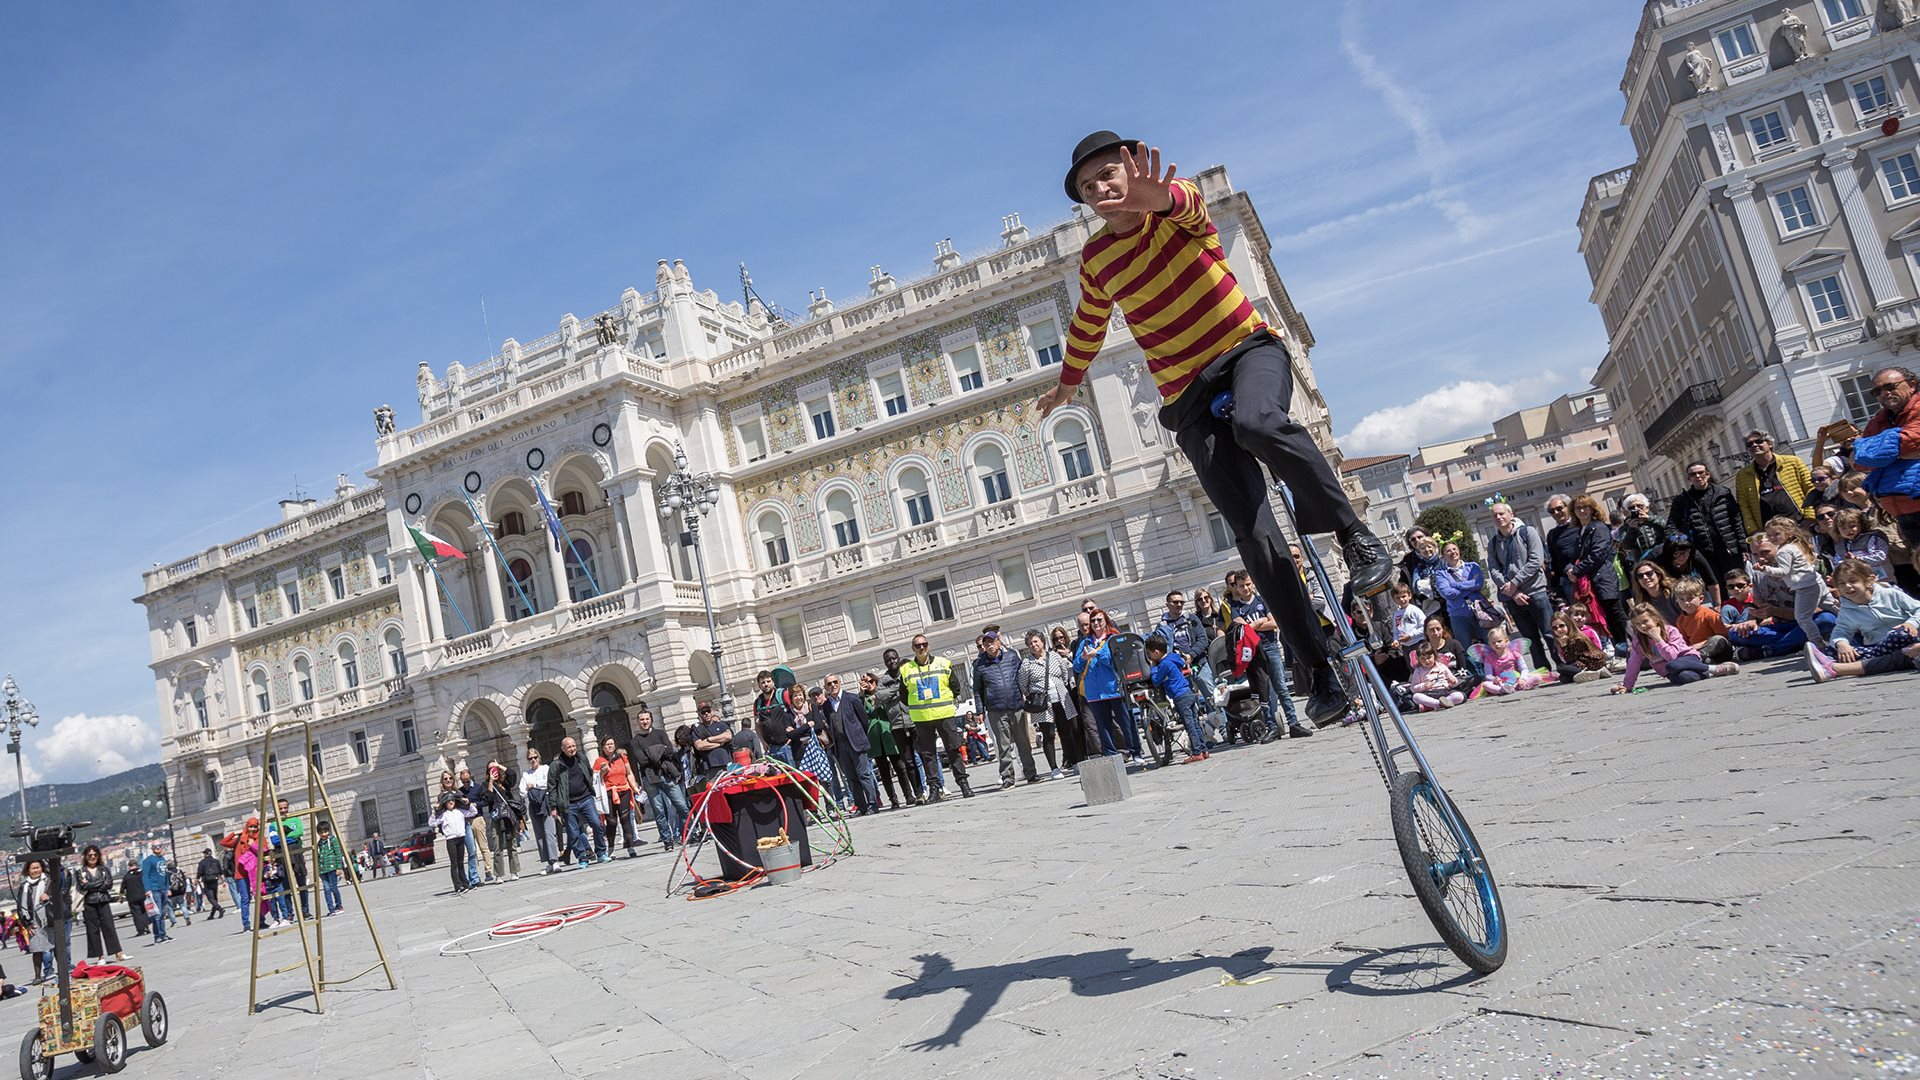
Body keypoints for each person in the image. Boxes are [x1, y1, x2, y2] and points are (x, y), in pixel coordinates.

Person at [1039, 135, 1390, 730]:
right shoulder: (1096, 259)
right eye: (1088, 186)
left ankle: (1355, 536)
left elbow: (1185, 204)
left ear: (1131, 169)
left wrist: (1157, 198)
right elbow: (1088, 324)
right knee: (1252, 532)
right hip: (1187, 394)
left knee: (1259, 423)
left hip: (1246, 350)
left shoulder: (1174, 204)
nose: (1101, 189)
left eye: (1109, 174)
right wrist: (1068, 385)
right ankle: (1319, 670)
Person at [1224, 569, 1312, 740]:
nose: (1245, 588)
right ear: (1237, 587)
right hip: (1253, 653)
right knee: (1263, 691)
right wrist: (1260, 621)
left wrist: (1252, 625)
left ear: (1253, 584)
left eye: (1248, 584)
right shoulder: (1235, 608)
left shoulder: (1262, 601)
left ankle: (1293, 723)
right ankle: (1271, 726)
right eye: (1241, 586)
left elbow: (1273, 623)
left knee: (1281, 687)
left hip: (1270, 647)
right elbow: (1241, 630)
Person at [1806, 558, 1920, 681]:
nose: (1847, 586)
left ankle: (1836, 666)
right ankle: (1828, 661)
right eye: (1841, 583)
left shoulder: (1891, 594)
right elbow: (1841, 631)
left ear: (1869, 580)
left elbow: (1918, 608)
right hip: (1879, 646)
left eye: (1853, 581)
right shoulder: (1846, 610)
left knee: (1900, 634)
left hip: (1907, 638)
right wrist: (1841, 644)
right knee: (1837, 651)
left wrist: (1911, 623)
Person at [898, 634, 974, 800]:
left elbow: (956, 687)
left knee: (953, 749)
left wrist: (946, 701)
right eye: (918, 646)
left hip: (944, 714)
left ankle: (963, 784)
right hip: (922, 717)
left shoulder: (943, 663)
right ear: (913, 649)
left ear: (929, 645)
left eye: (924, 644)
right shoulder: (906, 669)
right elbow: (903, 696)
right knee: (928, 754)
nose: (922, 648)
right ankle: (934, 789)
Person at [1485, 501, 1556, 671]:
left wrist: (1514, 582)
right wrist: (1513, 591)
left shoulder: (1527, 532)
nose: (1498, 517)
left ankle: (1563, 666)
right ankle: (1542, 670)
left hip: (1535, 591)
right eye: (1495, 515)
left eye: (1502, 513)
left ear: (1511, 514)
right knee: (1529, 638)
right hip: (1513, 597)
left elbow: (1535, 560)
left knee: (1549, 632)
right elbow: (1493, 569)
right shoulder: (1493, 543)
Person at [1750, 516, 1840, 650]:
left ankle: (1818, 644)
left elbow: (1783, 571)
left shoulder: (1783, 551)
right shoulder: (1795, 546)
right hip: (1814, 583)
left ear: (1789, 533)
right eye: (1769, 535)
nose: (1773, 538)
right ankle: (1857, 627)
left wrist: (1765, 569)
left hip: (1805, 587)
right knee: (1834, 608)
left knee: (1805, 618)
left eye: (1776, 534)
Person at [1611, 602, 1738, 693]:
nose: (1643, 626)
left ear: (1655, 619)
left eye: (1645, 621)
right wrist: (1627, 685)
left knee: (1672, 665)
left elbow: (1673, 657)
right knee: (1684, 677)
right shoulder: (1639, 640)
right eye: (1638, 624)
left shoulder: (1670, 631)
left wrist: (1658, 639)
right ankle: (1708, 674)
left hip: (1686, 659)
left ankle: (1714, 669)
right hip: (1669, 671)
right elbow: (1634, 662)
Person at [971, 630, 1038, 788]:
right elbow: (977, 690)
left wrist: (1028, 695)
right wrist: (980, 711)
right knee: (1003, 745)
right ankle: (1007, 777)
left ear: (998, 642)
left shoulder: (1012, 657)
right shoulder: (979, 664)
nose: (989, 645)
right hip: (996, 709)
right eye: (986, 643)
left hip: (1016, 706)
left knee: (1023, 742)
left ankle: (1031, 773)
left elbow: (1023, 676)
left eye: (992, 641)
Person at [1075, 608, 1143, 761]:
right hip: (1094, 691)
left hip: (1114, 688)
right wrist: (1083, 658)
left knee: (1126, 722)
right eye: (1093, 620)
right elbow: (1077, 667)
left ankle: (1135, 752)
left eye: (1099, 619)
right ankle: (1111, 754)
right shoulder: (1085, 642)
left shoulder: (1113, 638)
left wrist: (1097, 654)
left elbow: (1115, 661)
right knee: (1102, 726)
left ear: (1106, 621)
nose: (1096, 623)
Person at [1564, 493, 1631, 648]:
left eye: (1585, 507)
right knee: (1606, 616)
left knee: (1615, 613)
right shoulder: (1581, 530)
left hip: (1603, 578)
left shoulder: (1598, 527)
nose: (1582, 511)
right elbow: (1575, 556)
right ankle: (1620, 648)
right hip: (1591, 580)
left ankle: (1632, 645)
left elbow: (1598, 555)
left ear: (1592, 508)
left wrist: (1576, 571)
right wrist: (1569, 569)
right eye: (1578, 508)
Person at [1669, 462, 1748, 584]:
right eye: (1693, 474)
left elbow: (1737, 520)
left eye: (1701, 473)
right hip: (1703, 554)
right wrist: (1680, 543)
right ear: (1689, 478)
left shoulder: (1723, 493)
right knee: (1716, 587)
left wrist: (1744, 547)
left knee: (1737, 583)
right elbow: (1671, 527)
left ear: (1708, 474)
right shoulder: (1682, 501)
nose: (1697, 476)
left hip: (1730, 550)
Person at [1018, 630, 1075, 780]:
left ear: (1042, 642)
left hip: (1061, 700)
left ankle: (1074, 761)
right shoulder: (1027, 663)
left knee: (1066, 732)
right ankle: (1054, 767)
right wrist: (1034, 694)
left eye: (1035, 641)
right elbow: (1023, 684)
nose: (1033, 645)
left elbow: (1064, 675)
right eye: (1030, 643)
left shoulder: (1054, 656)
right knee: (1048, 735)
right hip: (1042, 705)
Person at [1734, 429, 1814, 535]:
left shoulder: (1793, 462)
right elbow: (1744, 506)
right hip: (1769, 534)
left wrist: (1809, 518)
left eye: (1759, 441)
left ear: (1770, 444)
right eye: (1750, 444)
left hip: (1800, 525)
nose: (1754, 445)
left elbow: (1810, 489)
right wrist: (1754, 531)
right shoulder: (1743, 475)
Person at [1145, 637, 1213, 762]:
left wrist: (1153, 667)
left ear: (1156, 652)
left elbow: (1156, 681)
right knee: (1195, 723)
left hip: (1180, 696)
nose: (1149, 657)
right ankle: (1204, 750)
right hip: (1188, 692)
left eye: (1149, 654)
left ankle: (1197, 753)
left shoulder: (1165, 664)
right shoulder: (1173, 658)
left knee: (1189, 725)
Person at [631, 706, 690, 850]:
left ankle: (690, 833)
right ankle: (667, 840)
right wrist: (660, 750)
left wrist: (650, 753)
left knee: (682, 806)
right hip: (650, 778)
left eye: (647, 719)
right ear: (638, 722)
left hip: (667, 775)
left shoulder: (660, 733)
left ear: (651, 720)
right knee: (659, 811)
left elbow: (669, 750)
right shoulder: (635, 741)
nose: (645, 722)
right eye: (642, 720)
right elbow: (642, 760)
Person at [873, 650, 928, 801]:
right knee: (908, 761)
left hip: (914, 720)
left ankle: (934, 787)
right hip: (897, 725)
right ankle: (918, 793)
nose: (891, 661)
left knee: (925, 755)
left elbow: (916, 688)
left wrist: (892, 693)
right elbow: (880, 696)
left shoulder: (908, 673)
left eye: (894, 658)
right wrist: (898, 688)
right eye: (888, 660)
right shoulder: (883, 680)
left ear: (898, 658)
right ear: (885, 663)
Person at [822, 675, 881, 813]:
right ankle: (861, 806)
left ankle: (873, 804)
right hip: (840, 745)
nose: (833, 685)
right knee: (851, 778)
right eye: (829, 684)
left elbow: (863, 720)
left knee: (864, 774)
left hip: (856, 742)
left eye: (835, 682)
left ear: (840, 683)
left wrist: (860, 737)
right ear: (826, 687)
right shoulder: (826, 705)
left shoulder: (852, 698)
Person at [546, 736, 607, 868]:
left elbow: (589, 774)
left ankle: (601, 852)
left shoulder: (582, 758)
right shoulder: (556, 765)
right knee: (573, 833)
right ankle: (582, 857)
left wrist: (590, 789)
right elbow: (552, 787)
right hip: (568, 803)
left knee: (596, 824)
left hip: (586, 798)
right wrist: (553, 806)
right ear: (563, 749)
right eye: (569, 747)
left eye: (574, 746)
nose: (572, 749)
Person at [1469, 624, 1556, 696]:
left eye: (1499, 641)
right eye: (1493, 643)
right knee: (1485, 684)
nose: (1496, 644)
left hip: (1517, 679)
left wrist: (1522, 678)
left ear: (1506, 641)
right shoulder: (1489, 658)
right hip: (1501, 683)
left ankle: (1520, 686)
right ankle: (1502, 690)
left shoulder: (1514, 653)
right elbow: (1488, 675)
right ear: (1489, 644)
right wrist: (1494, 679)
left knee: (1537, 677)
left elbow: (1524, 669)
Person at [1434, 541, 1492, 647]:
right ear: (1443, 556)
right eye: (1448, 551)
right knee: (1466, 648)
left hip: (1480, 611)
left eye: (1454, 549)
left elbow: (1478, 583)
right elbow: (1448, 593)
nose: (1452, 552)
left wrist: (1455, 585)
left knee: (1490, 643)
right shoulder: (1441, 574)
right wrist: (1470, 588)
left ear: (1458, 550)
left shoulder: (1473, 566)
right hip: (1458, 615)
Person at [76, 845, 128, 963]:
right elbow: (83, 886)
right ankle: (100, 956)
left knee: (109, 926)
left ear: (98, 856)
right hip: (89, 902)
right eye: (90, 855)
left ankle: (118, 953)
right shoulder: (81, 871)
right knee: (92, 930)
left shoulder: (104, 869)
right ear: (85, 857)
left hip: (103, 900)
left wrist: (92, 885)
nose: (92, 857)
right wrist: (100, 883)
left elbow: (109, 884)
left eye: (95, 855)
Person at [594, 739, 642, 860]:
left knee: (625, 818)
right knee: (611, 821)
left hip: (624, 790)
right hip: (608, 793)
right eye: (607, 744)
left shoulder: (622, 757)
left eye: (611, 744)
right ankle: (610, 849)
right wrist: (602, 773)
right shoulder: (599, 761)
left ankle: (630, 846)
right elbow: (595, 779)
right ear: (603, 747)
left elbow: (629, 773)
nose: (610, 746)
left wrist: (634, 787)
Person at [1670, 578, 1735, 664]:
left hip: (1719, 651)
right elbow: (1684, 641)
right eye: (1682, 599)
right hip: (1698, 650)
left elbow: (1723, 636)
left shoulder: (1709, 614)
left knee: (1718, 639)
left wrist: (1701, 644)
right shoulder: (1680, 620)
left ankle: (1695, 658)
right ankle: (1701, 661)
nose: (1686, 603)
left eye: (1690, 598)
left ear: (1701, 599)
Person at [271, 796, 314, 919]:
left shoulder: (295, 819)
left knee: (302, 882)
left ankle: (305, 911)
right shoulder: (273, 824)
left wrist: (284, 835)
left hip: (296, 852)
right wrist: (291, 837)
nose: (283, 810)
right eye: (280, 808)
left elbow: (300, 832)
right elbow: (275, 840)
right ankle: (290, 913)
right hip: (282, 854)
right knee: (286, 885)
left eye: (285, 808)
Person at [482, 761, 526, 877]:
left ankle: (514, 871)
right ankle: (499, 874)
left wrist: (499, 766)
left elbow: (512, 774)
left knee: (512, 843)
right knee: (497, 846)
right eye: (490, 769)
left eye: (495, 768)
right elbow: (487, 799)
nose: (493, 770)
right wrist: (491, 781)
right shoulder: (486, 784)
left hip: (508, 816)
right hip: (496, 816)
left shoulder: (504, 781)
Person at [1833, 507, 1895, 583]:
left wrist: (1858, 560)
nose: (1848, 530)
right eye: (1843, 528)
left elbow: (1880, 557)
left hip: (1883, 580)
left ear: (1861, 524)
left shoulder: (1872, 537)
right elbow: (1836, 563)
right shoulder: (1841, 546)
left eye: (1852, 526)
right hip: (1860, 583)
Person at [1549, 608, 1611, 684]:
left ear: (1568, 624)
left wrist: (1564, 646)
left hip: (1591, 662)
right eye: (1555, 628)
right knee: (1564, 678)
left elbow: (1570, 659)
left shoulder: (1577, 639)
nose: (1558, 629)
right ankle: (1591, 674)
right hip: (1581, 663)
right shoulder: (1562, 639)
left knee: (1560, 667)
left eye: (1561, 626)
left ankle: (1594, 672)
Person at [17, 860, 56, 979]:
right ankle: (38, 976)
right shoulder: (24, 886)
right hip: (33, 920)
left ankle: (56, 971)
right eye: (33, 868)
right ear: (28, 870)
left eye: (38, 867)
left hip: (47, 918)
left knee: (53, 946)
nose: (36, 870)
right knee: (36, 949)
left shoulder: (48, 881)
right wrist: (26, 924)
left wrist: (48, 897)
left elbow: (58, 896)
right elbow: (21, 906)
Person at [753, 670, 799, 766]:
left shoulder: (783, 695)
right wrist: (762, 742)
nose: (766, 684)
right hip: (771, 749)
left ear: (773, 682)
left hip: (787, 745)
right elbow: (757, 725)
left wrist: (794, 734)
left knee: (793, 773)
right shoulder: (758, 703)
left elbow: (797, 712)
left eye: (768, 681)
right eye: (763, 682)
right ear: (759, 685)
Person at [1615, 494, 1669, 570]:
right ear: (1628, 511)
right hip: (1643, 565)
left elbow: (1668, 531)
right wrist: (1632, 529)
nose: (1636, 509)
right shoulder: (1625, 527)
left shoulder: (1656, 519)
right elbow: (1626, 546)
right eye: (1632, 507)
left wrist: (1649, 520)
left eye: (1639, 506)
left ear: (1647, 508)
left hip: (1663, 560)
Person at [1407, 642, 1466, 711]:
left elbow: (1453, 681)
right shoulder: (1418, 671)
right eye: (1423, 659)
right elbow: (1413, 688)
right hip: (1429, 694)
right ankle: (1438, 704)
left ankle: (1432, 706)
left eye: (1429, 657)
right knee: (1416, 697)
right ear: (1418, 659)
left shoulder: (1441, 666)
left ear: (1434, 656)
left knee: (1459, 696)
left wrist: (1453, 681)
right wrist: (1424, 686)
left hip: (1444, 692)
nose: (1427, 661)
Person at [433, 793, 471, 893]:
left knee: (461, 862)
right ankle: (457, 886)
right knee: (454, 863)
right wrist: (435, 811)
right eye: (448, 801)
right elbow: (432, 823)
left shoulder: (460, 812)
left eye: (453, 800)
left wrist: (467, 802)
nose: (451, 802)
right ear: (445, 803)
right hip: (451, 840)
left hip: (461, 838)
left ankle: (465, 883)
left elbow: (473, 812)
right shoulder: (444, 815)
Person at [140, 841, 173, 944]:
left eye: (160, 846)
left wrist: (167, 888)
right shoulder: (148, 861)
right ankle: (157, 936)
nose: (158, 848)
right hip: (154, 889)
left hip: (163, 889)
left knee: (163, 913)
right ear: (152, 848)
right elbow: (145, 876)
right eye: (155, 846)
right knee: (157, 914)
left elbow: (165, 875)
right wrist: (147, 889)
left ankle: (163, 934)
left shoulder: (162, 859)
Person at [313, 820, 347, 916]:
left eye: (325, 831)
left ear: (328, 831)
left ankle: (339, 906)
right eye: (321, 832)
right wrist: (318, 870)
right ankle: (331, 909)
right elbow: (317, 856)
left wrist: (339, 867)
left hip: (332, 868)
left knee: (333, 887)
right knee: (326, 889)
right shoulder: (319, 844)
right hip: (323, 869)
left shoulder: (333, 840)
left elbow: (338, 853)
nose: (323, 834)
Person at [120, 857, 150, 939]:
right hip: (143, 896)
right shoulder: (142, 873)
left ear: (129, 866)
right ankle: (146, 927)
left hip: (132, 898)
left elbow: (122, 888)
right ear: (136, 865)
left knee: (136, 914)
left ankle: (141, 930)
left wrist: (121, 897)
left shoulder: (127, 876)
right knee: (144, 912)